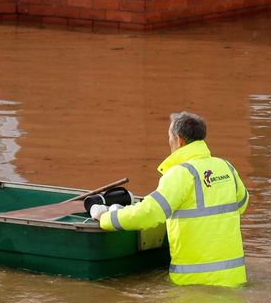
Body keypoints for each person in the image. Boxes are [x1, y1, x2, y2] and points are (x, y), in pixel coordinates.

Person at [90, 111, 249, 287]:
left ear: (179, 140)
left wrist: (106, 217)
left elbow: (149, 213)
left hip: (195, 283)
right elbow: (242, 204)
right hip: (235, 279)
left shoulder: (181, 173)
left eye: (169, 137)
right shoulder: (226, 167)